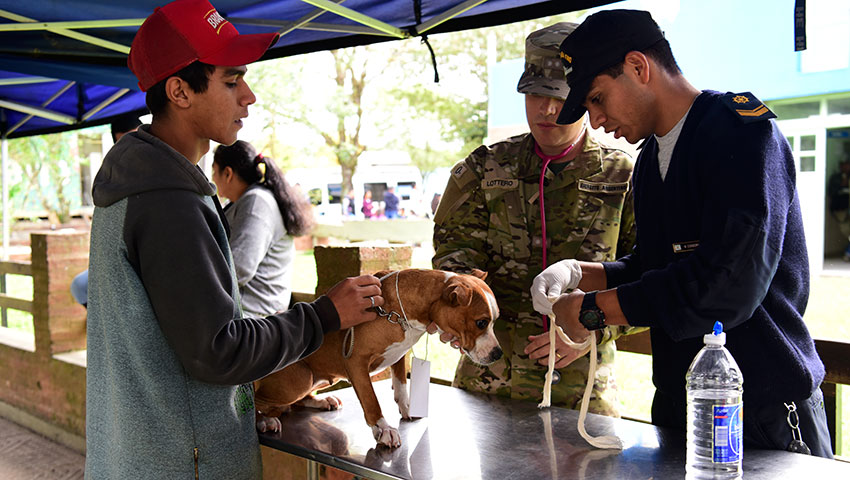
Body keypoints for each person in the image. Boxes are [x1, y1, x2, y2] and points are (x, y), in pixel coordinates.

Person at [85, 1, 384, 478]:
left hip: (137, 450)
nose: (249, 96)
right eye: (231, 81)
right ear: (180, 91)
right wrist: (324, 315)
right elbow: (219, 351)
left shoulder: (136, 184)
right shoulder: (167, 201)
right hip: (186, 459)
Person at [532, 9, 832, 458]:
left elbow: (727, 284)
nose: (595, 121)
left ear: (638, 67)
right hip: (681, 404)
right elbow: (658, 266)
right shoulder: (651, 158)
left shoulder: (743, 136)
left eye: (597, 98)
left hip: (758, 409)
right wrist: (582, 274)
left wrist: (594, 310)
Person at [432, 22, 637, 415]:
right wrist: (453, 306)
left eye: (560, 96)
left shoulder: (622, 177)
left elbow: (651, 279)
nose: (547, 109)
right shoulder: (484, 169)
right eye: (536, 94)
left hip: (581, 395)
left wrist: (594, 326)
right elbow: (453, 255)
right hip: (490, 386)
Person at [212, 140, 313, 316]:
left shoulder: (256, 202)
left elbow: (239, 269)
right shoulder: (244, 201)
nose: (212, 178)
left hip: (254, 317)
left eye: (214, 171)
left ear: (227, 173)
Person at [70, 115, 142, 309]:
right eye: (124, 142)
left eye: (135, 139)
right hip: (119, 258)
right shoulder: (112, 178)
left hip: (145, 257)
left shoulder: (158, 169)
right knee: (80, 285)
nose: (131, 148)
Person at [827, 157, 850, 260]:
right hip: (841, 209)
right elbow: (831, 192)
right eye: (844, 164)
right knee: (845, 231)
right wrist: (841, 185)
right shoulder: (836, 178)